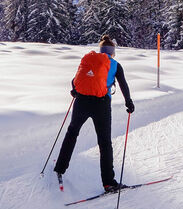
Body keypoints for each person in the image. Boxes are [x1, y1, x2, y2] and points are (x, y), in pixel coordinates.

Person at [54, 35, 135, 193]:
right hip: (101, 104)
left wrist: (75, 90)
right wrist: (129, 102)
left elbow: (75, 80)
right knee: (104, 144)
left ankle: (60, 168)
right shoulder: (115, 65)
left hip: (81, 101)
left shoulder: (90, 60)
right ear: (113, 52)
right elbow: (123, 84)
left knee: (72, 133)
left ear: (101, 50)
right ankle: (109, 183)